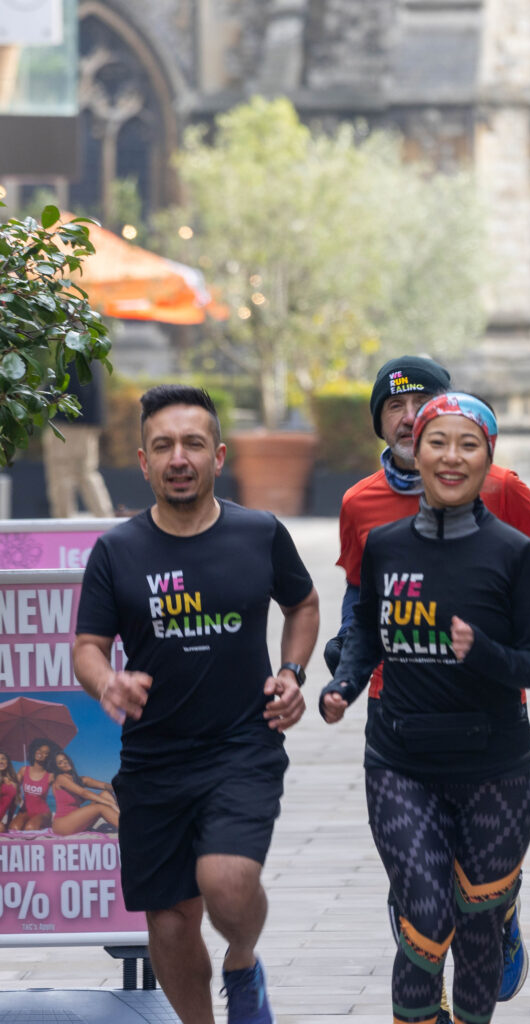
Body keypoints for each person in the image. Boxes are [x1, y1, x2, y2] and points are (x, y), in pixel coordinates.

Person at [327, 354, 530, 1008]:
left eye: (464, 443)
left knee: (476, 920)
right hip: (399, 727)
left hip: (491, 736)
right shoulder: (366, 512)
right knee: (425, 910)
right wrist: (344, 671)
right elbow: (362, 604)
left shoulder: (506, 510)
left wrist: (503, 632)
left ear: (485, 454)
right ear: (386, 425)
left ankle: (494, 912)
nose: (434, 443)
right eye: (399, 412)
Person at [72, 384, 319, 1024]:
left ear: (218, 456)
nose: (178, 457)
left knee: (227, 882)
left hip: (243, 744)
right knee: (172, 920)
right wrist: (108, 684)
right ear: (144, 459)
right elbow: (88, 647)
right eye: (163, 446)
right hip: (153, 761)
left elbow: (304, 603)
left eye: (192, 444)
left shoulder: (259, 533)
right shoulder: (116, 551)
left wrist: (292, 671)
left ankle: (242, 959)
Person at [43, 361, 114, 518]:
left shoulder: (75, 351)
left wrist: (44, 394)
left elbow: (74, 388)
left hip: (70, 424)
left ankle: (63, 524)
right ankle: (104, 519)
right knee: (86, 473)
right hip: (85, 423)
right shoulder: (90, 351)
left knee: (62, 473)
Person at [46, 749, 119, 834]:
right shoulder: (60, 778)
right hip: (63, 824)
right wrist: (110, 803)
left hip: (78, 822)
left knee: (105, 794)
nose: (65, 763)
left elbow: (104, 785)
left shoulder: (80, 780)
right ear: (57, 767)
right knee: (100, 807)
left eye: (65, 760)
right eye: (60, 763)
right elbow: (83, 793)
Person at [13, 738, 56, 831]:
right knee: (14, 828)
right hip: (24, 811)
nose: (40, 753)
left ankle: (46, 824)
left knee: (30, 828)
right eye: (39, 749)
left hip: (43, 813)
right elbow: (12, 787)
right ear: (34, 751)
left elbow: (62, 792)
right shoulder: (23, 770)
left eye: (45, 752)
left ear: (48, 757)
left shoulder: (50, 775)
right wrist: (17, 795)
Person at [0, 752, 23, 831]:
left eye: (3, 758)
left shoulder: (13, 782)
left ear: (7, 762)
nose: (1, 761)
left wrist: (9, 821)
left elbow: (13, 804)